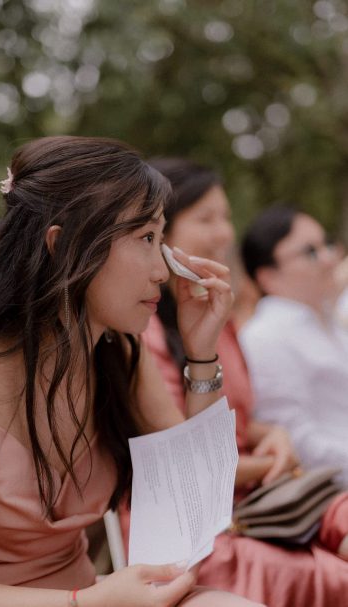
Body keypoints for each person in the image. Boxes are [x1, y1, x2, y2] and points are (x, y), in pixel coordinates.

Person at [0, 136, 262, 607]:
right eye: (146, 239)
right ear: (63, 244)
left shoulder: (119, 356)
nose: (162, 270)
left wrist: (202, 353)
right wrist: (83, 601)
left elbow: (195, 495)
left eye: (162, 238)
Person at [118, 158, 348, 607]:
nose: (225, 233)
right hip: (202, 525)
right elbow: (190, 461)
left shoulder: (220, 322)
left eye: (225, 217)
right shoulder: (143, 337)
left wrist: (273, 434)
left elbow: (241, 419)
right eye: (206, 218)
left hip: (265, 501)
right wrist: (280, 463)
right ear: (162, 236)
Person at [239, 204, 348, 486]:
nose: (328, 259)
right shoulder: (265, 337)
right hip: (332, 492)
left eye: (327, 245)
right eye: (311, 252)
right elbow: (298, 441)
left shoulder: (328, 321)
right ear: (267, 276)